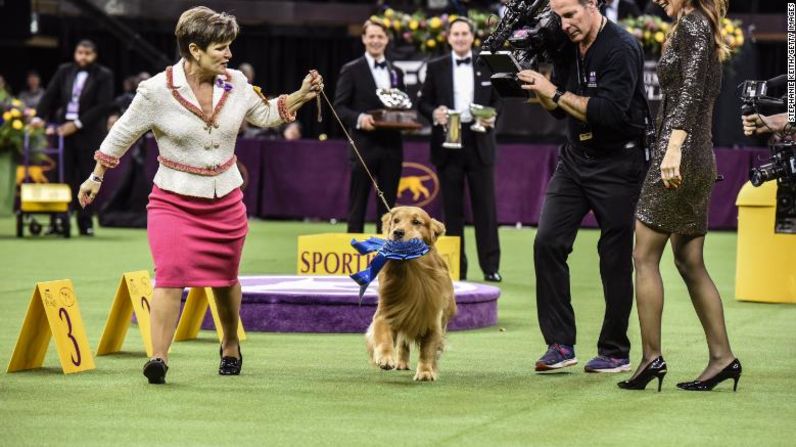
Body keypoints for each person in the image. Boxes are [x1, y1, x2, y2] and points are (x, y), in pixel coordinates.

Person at [78, 6, 323, 384]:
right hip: (172, 199)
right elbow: (121, 134)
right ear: (194, 50)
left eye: (229, 47)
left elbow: (267, 114)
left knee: (225, 279)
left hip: (225, 199)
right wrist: (96, 176)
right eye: (221, 48)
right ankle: (158, 358)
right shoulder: (156, 91)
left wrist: (302, 95)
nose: (229, 54)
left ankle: (229, 343)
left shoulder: (237, 83)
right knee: (170, 275)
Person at [517, 0, 649, 373]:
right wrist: (537, 87)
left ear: (592, 4)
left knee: (614, 258)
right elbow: (559, 111)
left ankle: (614, 351)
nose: (564, 24)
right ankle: (560, 344)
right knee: (547, 243)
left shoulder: (622, 47)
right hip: (576, 159)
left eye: (570, 14)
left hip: (620, 162)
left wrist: (552, 91)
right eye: (558, 16)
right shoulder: (564, 43)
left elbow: (609, 113)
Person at [619, 0, 741, 392]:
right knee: (690, 261)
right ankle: (722, 358)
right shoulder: (704, 24)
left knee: (643, 255)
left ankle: (651, 358)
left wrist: (672, 149)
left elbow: (688, 93)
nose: (657, 1)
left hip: (681, 155)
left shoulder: (691, 24)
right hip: (700, 154)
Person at [418, 17, 502, 282]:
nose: (461, 38)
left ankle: (490, 267)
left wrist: (493, 115)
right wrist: (435, 113)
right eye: (456, 34)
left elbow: (499, 99)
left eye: (465, 33)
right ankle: (456, 268)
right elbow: (423, 104)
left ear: (472, 37)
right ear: (448, 37)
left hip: (480, 140)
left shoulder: (486, 64)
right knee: (451, 210)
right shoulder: (435, 66)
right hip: (448, 141)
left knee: (485, 208)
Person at [34, 39, 114, 236]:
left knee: (86, 177)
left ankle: (85, 223)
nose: (83, 57)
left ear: (94, 55)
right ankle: (58, 220)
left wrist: (77, 124)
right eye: (80, 52)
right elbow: (50, 95)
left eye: (87, 53)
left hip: (89, 133)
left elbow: (103, 106)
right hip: (64, 133)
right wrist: (38, 116)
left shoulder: (104, 75)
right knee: (61, 176)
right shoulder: (64, 71)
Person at [334, 19, 405, 234]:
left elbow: (403, 104)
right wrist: (360, 118)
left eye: (380, 36)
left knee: (388, 206)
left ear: (387, 40)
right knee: (358, 203)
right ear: (364, 39)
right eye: (371, 36)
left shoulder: (397, 72)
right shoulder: (351, 70)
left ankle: (386, 256)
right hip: (363, 146)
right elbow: (340, 107)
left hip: (393, 145)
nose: (376, 40)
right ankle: (353, 254)